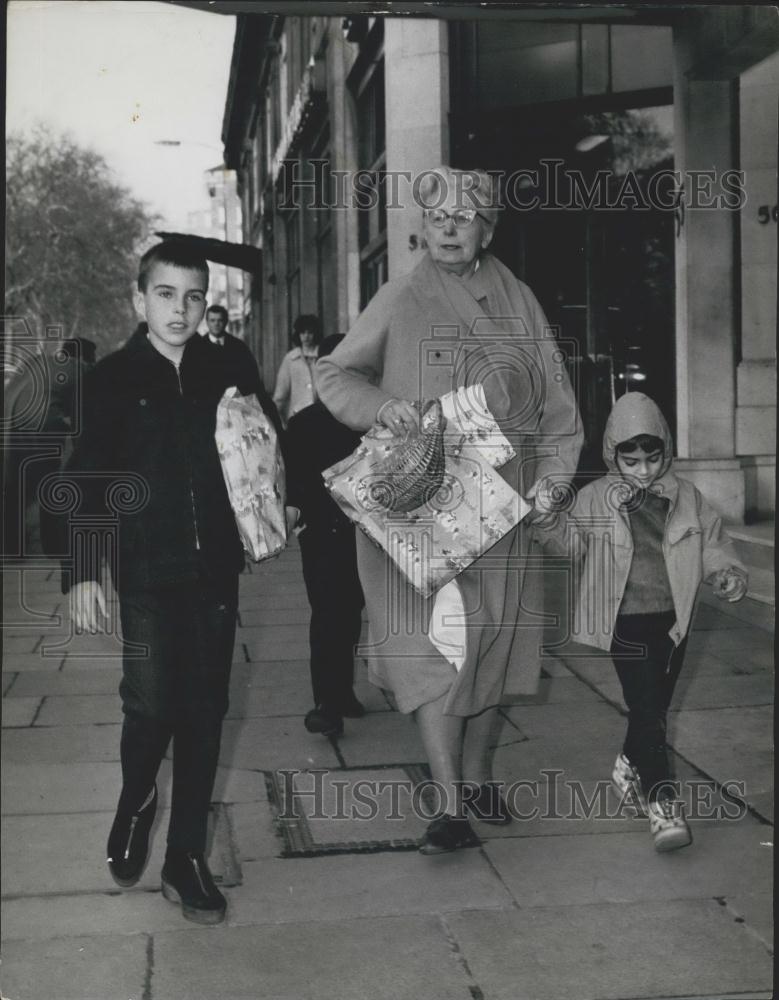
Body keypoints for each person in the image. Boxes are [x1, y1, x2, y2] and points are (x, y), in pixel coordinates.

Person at [316, 166, 582, 853]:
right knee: (434, 646)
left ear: (486, 228)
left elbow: (556, 408)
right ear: (422, 226)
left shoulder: (517, 299)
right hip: (420, 505)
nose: (448, 229)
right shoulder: (401, 293)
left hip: (505, 508)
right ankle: (447, 802)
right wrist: (382, 407)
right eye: (437, 218)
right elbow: (333, 372)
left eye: (464, 218)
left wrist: (552, 481)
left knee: (496, 647)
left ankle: (477, 771)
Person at [61, 241, 273, 924]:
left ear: (206, 301)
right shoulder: (112, 379)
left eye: (192, 296)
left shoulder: (227, 366)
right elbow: (85, 480)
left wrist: (282, 502)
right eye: (164, 294)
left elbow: (264, 443)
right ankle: (136, 799)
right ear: (138, 299)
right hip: (147, 568)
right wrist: (83, 572)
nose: (179, 310)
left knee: (206, 712)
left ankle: (185, 860)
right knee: (152, 706)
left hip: (214, 566)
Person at [536, 391, 748, 851]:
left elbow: (712, 541)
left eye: (652, 459)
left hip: (674, 620)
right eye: (631, 461)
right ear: (613, 454)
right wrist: (548, 517)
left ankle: (629, 764)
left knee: (653, 710)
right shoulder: (595, 498)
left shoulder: (685, 495)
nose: (644, 470)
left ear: (665, 451)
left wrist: (726, 571)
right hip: (623, 622)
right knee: (649, 710)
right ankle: (662, 806)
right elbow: (568, 547)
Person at [285, 334, 366, 737]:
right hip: (322, 536)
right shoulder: (304, 424)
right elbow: (293, 481)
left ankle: (342, 692)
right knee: (329, 616)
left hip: (366, 537)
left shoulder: (373, 421)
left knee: (349, 614)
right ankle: (327, 703)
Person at [273, 314, 323, 425]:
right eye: (302, 333)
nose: (306, 336)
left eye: (310, 332)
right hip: (297, 417)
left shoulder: (323, 356)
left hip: (320, 418)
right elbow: (280, 394)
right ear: (298, 334)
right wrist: (277, 421)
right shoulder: (290, 359)